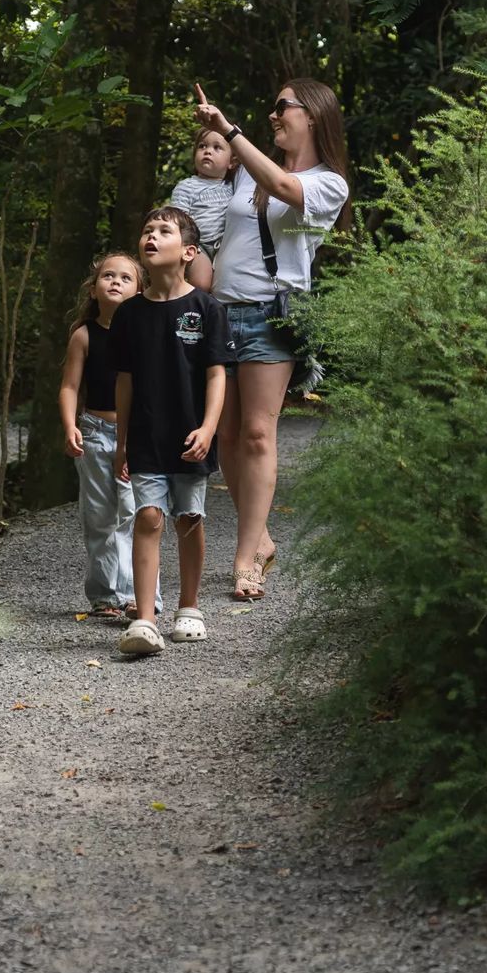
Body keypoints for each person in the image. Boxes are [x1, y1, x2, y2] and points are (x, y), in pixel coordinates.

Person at [195, 78, 352, 601]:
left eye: (282, 106)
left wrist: (231, 131)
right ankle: (259, 539)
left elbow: (286, 190)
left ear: (312, 114)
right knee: (227, 437)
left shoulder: (330, 183)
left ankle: (244, 560)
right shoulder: (245, 174)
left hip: (271, 315)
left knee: (259, 435)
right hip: (220, 313)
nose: (273, 115)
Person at [110, 207, 233, 657]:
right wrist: (121, 441)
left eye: (164, 231)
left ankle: (189, 607)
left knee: (189, 518)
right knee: (147, 517)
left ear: (188, 252)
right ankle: (144, 619)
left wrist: (208, 427)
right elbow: (124, 380)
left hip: (190, 437)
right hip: (144, 435)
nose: (152, 236)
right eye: (147, 230)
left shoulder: (207, 308)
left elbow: (217, 374)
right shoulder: (128, 315)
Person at [57, 251, 146, 620]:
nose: (116, 282)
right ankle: (105, 595)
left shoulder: (143, 335)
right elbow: (69, 386)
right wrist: (70, 425)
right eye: (108, 276)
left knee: (131, 513)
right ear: (93, 289)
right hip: (94, 433)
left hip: (134, 435)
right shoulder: (84, 335)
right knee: (98, 516)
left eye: (126, 278)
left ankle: (130, 594)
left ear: (140, 291)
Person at [167, 126, 237, 291]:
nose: (208, 151)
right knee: (201, 284)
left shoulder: (234, 185)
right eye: (202, 146)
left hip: (227, 244)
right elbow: (178, 220)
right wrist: (187, 244)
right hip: (200, 245)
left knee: (224, 285)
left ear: (232, 162)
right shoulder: (186, 186)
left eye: (217, 147)